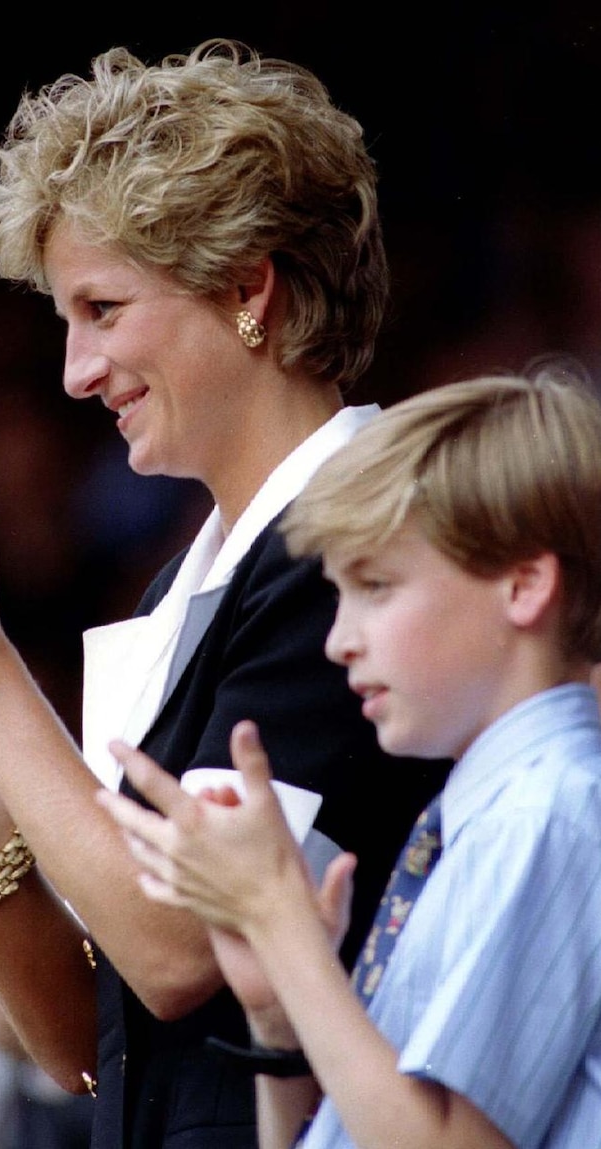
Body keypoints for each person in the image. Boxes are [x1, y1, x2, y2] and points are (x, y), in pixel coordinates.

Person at [0, 40, 448, 1148]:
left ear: (247, 288)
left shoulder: (357, 550)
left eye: (101, 308)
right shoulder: (191, 583)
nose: (74, 372)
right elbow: (76, 1040)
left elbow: (179, 955)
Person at [99, 368, 601, 1149]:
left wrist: (281, 927)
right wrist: (277, 1012)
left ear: (525, 584)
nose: (339, 639)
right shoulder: (487, 814)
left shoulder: (551, 811)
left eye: (377, 585)